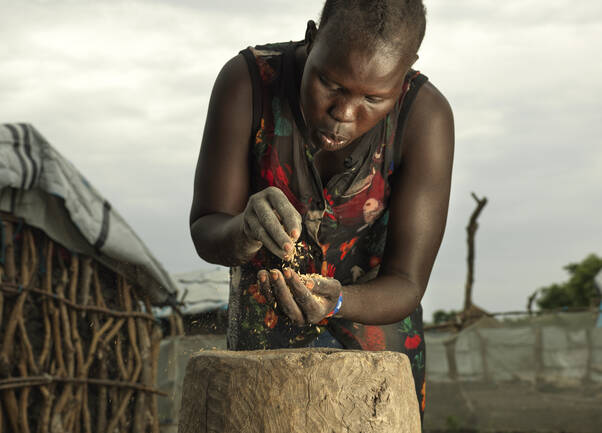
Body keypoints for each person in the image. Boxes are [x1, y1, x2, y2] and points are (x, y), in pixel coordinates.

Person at [189, 0, 453, 418]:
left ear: (404, 75)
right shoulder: (248, 83)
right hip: (265, 356)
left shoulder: (424, 117)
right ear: (312, 39)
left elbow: (406, 282)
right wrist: (244, 231)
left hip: (376, 361)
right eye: (330, 84)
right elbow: (207, 229)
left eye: (374, 98)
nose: (344, 114)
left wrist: (338, 301)